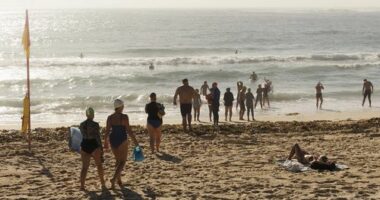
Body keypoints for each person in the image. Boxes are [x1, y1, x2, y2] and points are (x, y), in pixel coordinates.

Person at [104, 99, 140, 189]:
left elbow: (107, 131)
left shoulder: (110, 117)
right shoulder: (124, 117)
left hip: (113, 139)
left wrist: (105, 141)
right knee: (123, 161)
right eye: (123, 106)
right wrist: (136, 143)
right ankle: (114, 179)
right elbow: (129, 131)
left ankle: (119, 180)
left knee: (117, 160)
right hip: (122, 139)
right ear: (120, 107)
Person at [79, 107, 105, 191]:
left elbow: (82, 135)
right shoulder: (95, 125)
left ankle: (82, 186)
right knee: (99, 165)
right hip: (93, 144)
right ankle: (103, 183)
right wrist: (101, 148)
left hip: (85, 144)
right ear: (93, 115)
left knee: (84, 167)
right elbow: (97, 137)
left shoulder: (81, 124)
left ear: (86, 114)